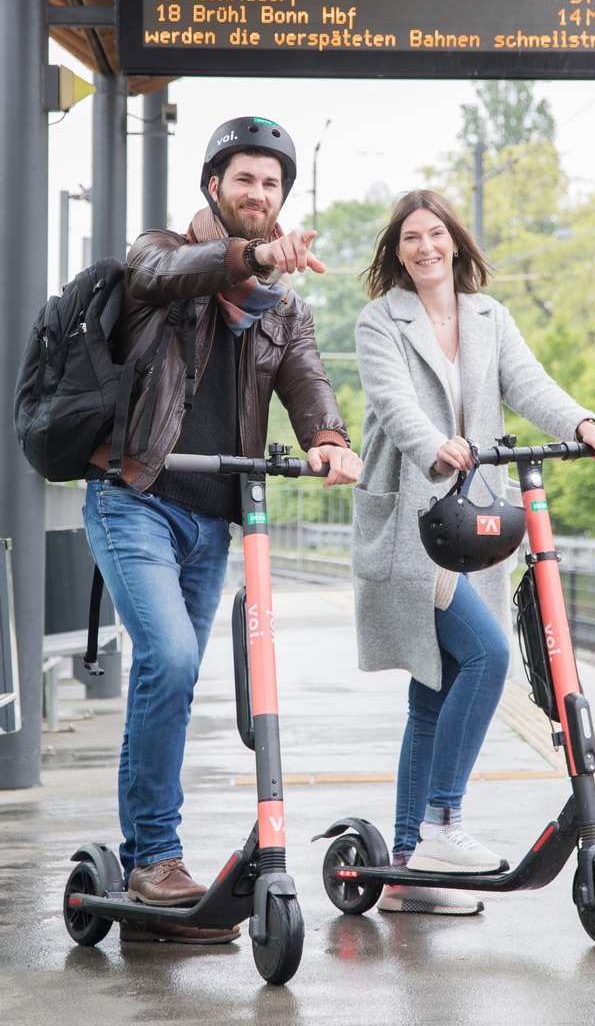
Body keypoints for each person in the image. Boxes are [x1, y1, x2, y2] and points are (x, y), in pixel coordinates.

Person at [83, 115, 361, 944]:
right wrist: (251, 257)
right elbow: (171, 272)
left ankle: (150, 862)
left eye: (272, 184)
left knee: (176, 676)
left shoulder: (285, 311)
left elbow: (309, 387)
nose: (258, 193)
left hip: (211, 522)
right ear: (215, 187)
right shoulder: (159, 258)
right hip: (133, 498)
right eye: (244, 179)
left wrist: (331, 440)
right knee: (166, 660)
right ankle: (155, 858)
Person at [352, 189, 595, 916]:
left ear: (456, 242)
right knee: (487, 657)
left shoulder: (486, 316)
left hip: (472, 522)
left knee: (432, 692)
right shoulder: (381, 319)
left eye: (435, 233)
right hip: (414, 517)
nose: (424, 247)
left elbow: (527, 384)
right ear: (396, 250)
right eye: (410, 237)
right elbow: (391, 402)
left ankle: (409, 867)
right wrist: (433, 444)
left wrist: (585, 421)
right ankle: (443, 822)